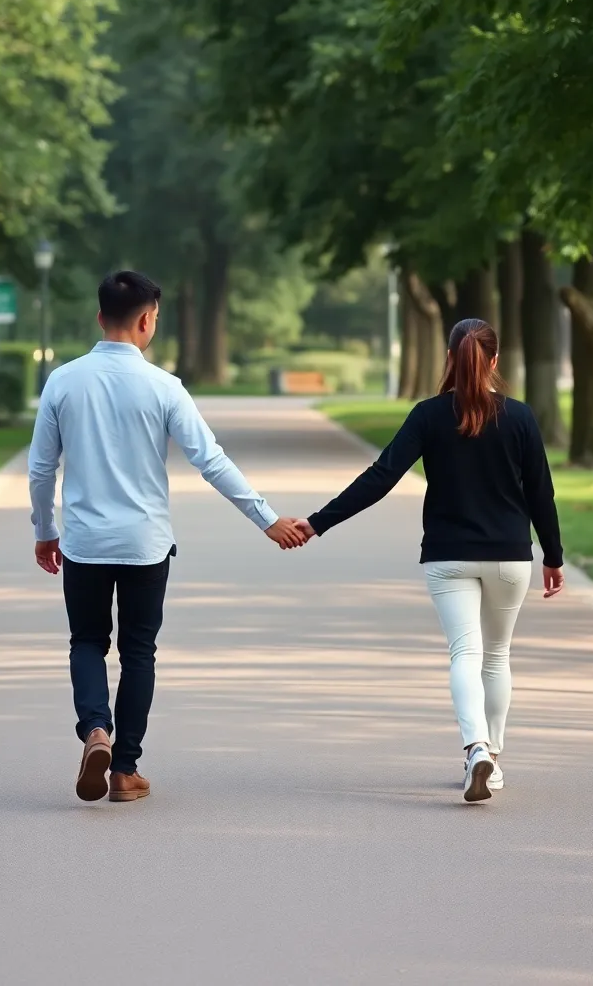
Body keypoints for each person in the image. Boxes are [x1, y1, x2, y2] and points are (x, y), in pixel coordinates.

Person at [29, 270, 305, 804]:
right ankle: (124, 770)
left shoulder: (63, 381)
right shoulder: (164, 387)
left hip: (84, 543)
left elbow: (42, 470)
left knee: (87, 642)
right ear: (147, 319)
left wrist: (46, 531)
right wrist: (267, 519)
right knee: (138, 653)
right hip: (144, 544)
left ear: (98, 316)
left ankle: (96, 731)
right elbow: (211, 461)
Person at [294, 318, 564, 803]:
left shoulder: (428, 416)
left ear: (449, 358)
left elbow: (381, 478)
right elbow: (540, 493)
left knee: (466, 653)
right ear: (495, 361)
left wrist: (318, 522)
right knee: (497, 655)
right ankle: (493, 759)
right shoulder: (520, 417)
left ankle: (474, 747)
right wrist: (554, 556)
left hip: (447, 557)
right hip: (508, 557)